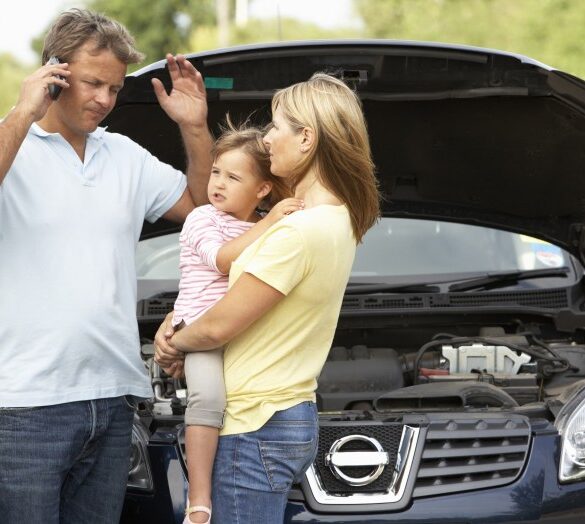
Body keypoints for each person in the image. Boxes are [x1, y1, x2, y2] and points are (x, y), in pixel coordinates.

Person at [0, 8, 212, 524]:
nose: (103, 100)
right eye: (92, 83)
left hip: (116, 399)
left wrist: (196, 128)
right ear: (54, 73)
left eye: (114, 89)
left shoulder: (124, 155)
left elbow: (206, 211)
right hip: (24, 404)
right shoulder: (13, 143)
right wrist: (20, 115)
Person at [154, 72, 381, 523]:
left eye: (277, 126)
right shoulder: (336, 219)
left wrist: (173, 342)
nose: (268, 138)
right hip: (286, 413)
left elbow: (220, 325)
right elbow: (223, 291)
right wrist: (179, 317)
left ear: (307, 139)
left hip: (254, 423)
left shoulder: (297, 231)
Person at [170, 121, 303, 524]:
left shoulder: (264, 226)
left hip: (247, 339)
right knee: (207, 400)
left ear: (262, 188)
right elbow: (221, 260)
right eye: (215, 173)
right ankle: (200, 499)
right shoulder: (201, 219)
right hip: (203, 334)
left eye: (233, 176)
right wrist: (271, 221)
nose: (218, 184)